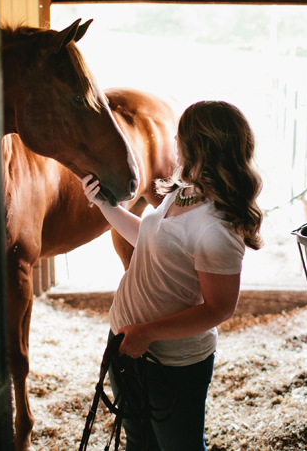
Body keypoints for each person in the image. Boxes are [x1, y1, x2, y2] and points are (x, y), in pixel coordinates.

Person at [81, 100, 264, 451]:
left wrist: (147, 332)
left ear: (199, 146)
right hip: (128, 341)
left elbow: (219, 308)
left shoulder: (218, 226)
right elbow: (148, 241)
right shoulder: (184, 193)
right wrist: (107, 205)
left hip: (171, 360)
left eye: (181, 135)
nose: (175, 141)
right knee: (137, 441)